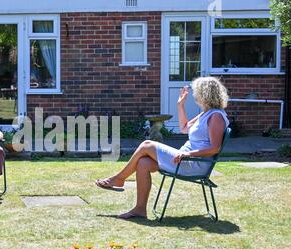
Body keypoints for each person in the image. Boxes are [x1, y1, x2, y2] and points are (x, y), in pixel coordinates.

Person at [95, 76, 230, 219]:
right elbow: (184, 128)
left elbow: (215, 148)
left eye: (196, 91)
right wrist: (180, 105)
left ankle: (119, 179)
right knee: (143, 163)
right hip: (183, 159)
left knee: (147, 145)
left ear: (205, 94)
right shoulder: (206, 113)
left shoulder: (216, 117)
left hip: (193, 163)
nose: (194, 94)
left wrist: (188, 154)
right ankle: (139, 209)